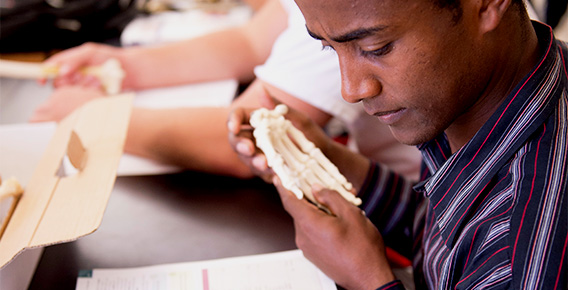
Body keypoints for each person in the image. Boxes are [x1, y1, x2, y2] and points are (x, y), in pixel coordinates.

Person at [228, 0, 568, 290]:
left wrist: (369, 285)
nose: (352, 89)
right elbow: (450, 238)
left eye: (376, 48)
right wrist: (330, 161)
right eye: (327, 48)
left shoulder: (524, 281)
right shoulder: (486, 95)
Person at [30, 0, 420, 180]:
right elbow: (251, 40)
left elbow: (248, 142)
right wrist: (127, 69)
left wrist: (98, 119)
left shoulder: (352, 14)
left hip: (414, 224)